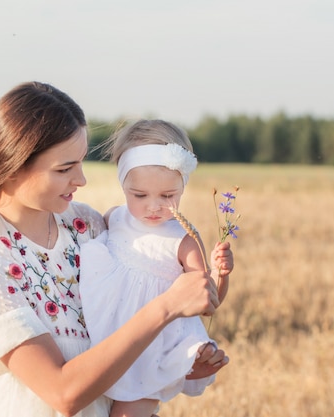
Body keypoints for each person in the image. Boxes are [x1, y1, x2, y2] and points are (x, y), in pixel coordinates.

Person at [0, 82, 230, 417]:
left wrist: (173, 363)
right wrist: (165, 308)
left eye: (80, 163)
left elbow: (128, 337)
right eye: (65, 168)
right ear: (14, 165)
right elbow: (62, 393)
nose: (81, 179)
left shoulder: (90, 228)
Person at [80, 119, 234, 417]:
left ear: (182, 187)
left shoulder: (184, 240)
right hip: (104, 335)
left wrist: (221, 275)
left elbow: (207, 302)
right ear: (123, 184)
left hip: (151, 348)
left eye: (167, 196)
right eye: (139, 195)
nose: (154, 206)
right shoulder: (114, 218)